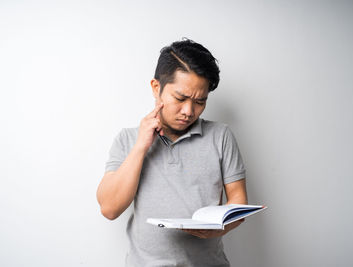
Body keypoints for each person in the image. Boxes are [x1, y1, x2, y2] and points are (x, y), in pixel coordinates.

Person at [96, 38, 248, 267]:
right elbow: (109, 208)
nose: (188, 111)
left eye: (200, 101)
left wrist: (220, 228)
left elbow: (238, 201)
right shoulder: (128, 139)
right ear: (157, 88)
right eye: (180, 98)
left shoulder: (221, 136)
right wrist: (141, 146)